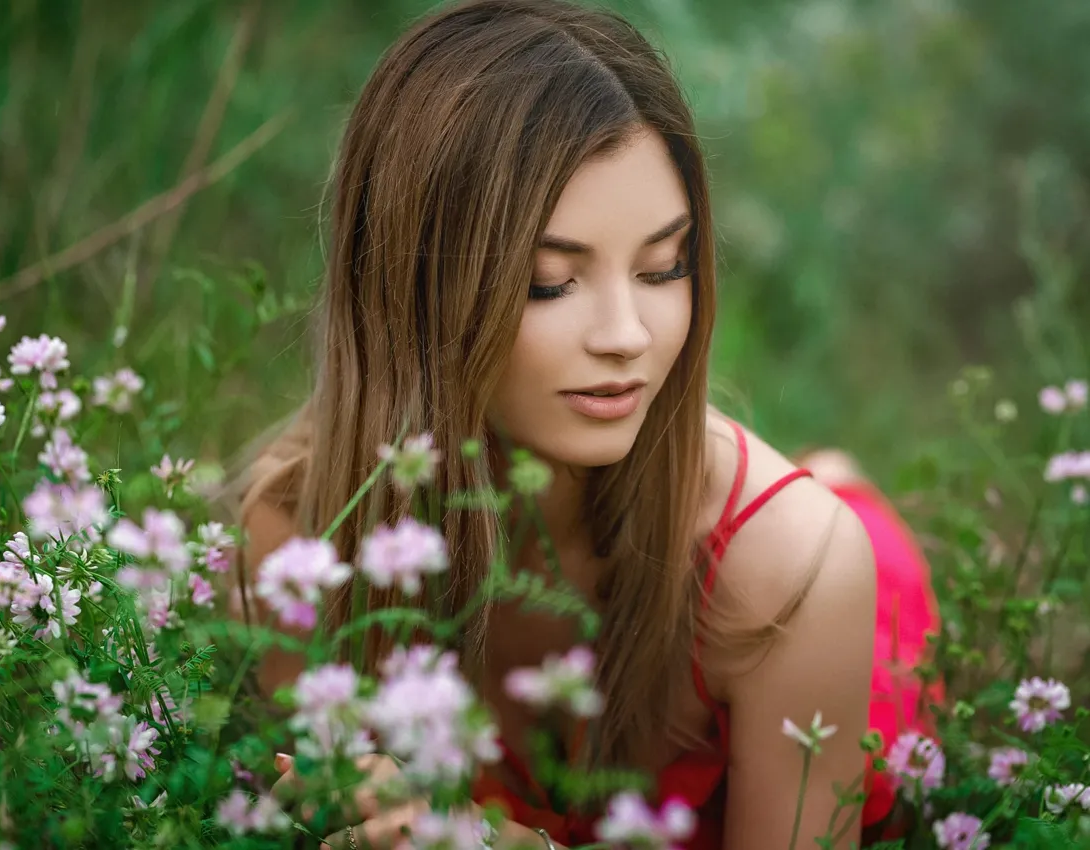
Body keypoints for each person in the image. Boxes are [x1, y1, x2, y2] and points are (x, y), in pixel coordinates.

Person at [227, 1, 938, 847]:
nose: (627, 337)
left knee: (838, 525)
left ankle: (840, 475)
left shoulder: (796, 575)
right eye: (550, 282)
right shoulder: (301, 533)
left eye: (662, 268)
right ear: (411, 289)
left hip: (806, 587)